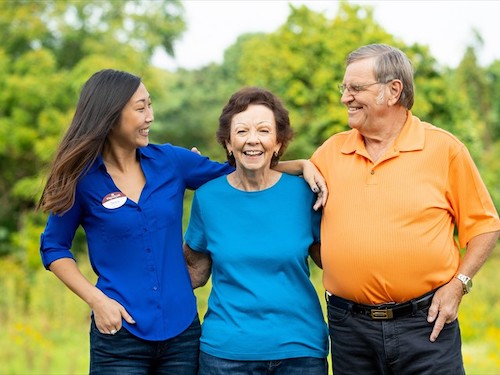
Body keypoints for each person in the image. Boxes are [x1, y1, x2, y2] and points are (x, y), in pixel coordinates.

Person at [37, 70, 326, 374]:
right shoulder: (81, 179)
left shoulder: (171, 162)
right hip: (120, 333)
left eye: (150, 105)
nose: (150, 116)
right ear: (110, 115)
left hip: (182, 335)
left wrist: (302, 166)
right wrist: (97, 301)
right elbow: (54, 246)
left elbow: (242, 170)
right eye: (140, 108)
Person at [310, 43, 500, 375]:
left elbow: (485, 225)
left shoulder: (445, 149)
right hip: (348, 328)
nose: (345, 98)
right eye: (344, 88)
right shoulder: (329, 152)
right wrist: (299, 163)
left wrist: (459, 284)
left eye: (356, 88)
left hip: (426, 325)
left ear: (393, 91)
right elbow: (267, 176)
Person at [183, 87, 329, 375]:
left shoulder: (305, 193)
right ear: (228, 142)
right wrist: (129, 296)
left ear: (278, 143)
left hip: (299, 351)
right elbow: (193, 271)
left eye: (264, 131)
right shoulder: (208, 197)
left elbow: (336, 265)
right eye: (242, 131)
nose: (253, 140)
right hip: (226, 354)